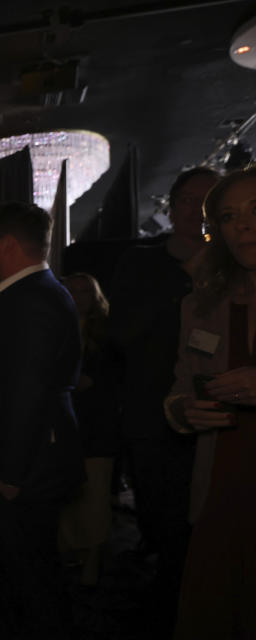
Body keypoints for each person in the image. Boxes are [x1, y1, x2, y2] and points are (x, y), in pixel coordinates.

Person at [109, 166, 220, 635]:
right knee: (164, 521)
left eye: (209, 201)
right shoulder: (141, 263)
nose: (198, 210)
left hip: (219, 418)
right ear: (171, 208)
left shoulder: (234, 267)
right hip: (154, 417)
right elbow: (119, 336)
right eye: (189, 200)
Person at [0, 201, 84, 639]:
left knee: (31, 579)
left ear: (8, 243)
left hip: (27, 467)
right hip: (31, 461)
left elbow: (28, 393)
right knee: (27, 574)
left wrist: (12, 473)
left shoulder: (30, 300)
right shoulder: (33, 294)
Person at [163, 167, 256, 638]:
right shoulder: (201, 305)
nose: (242, 224)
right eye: (228, 215)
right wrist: (181, 411)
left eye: (255, 210)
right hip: (221, 483)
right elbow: (181, 386)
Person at [58, 272, 119, 586]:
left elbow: (107, 380)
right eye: (73, 290)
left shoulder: (107, 333)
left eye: (85, 291)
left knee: (95, 494)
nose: (79, 296)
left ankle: (92, 560)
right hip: (66, 424)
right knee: (67, 493)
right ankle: (70, 551)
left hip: (97, 425)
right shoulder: (55, 327)